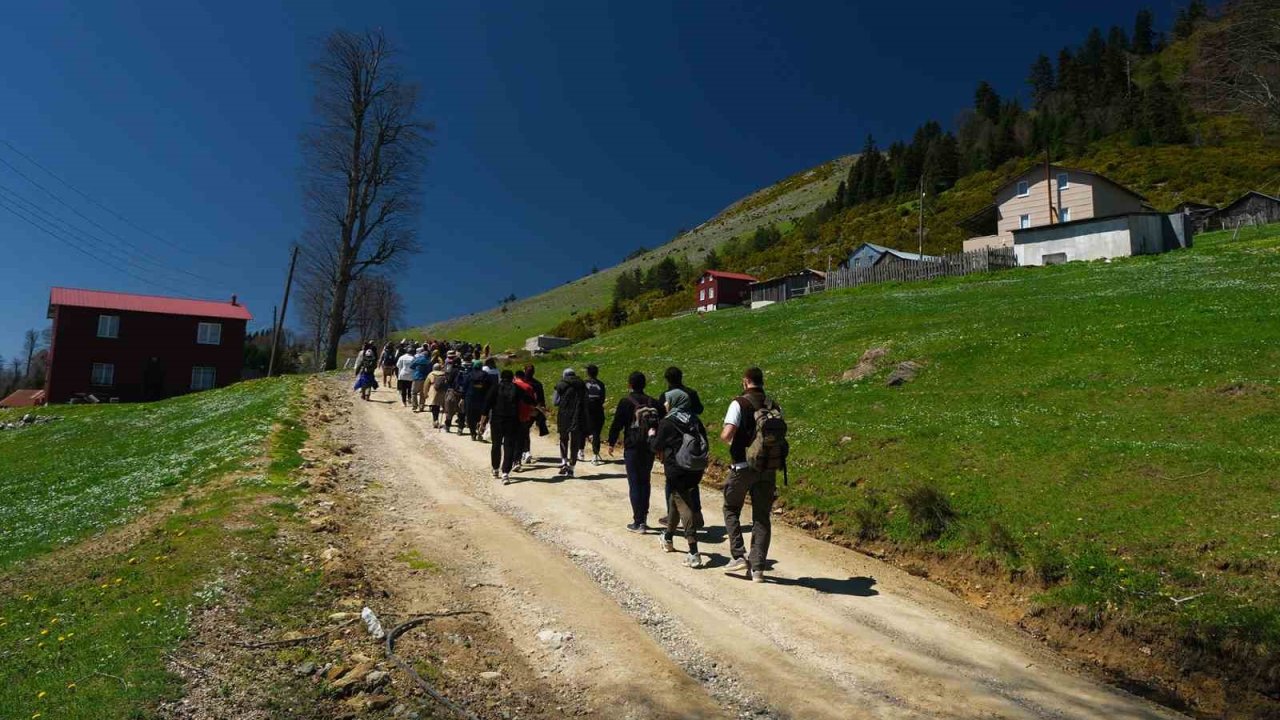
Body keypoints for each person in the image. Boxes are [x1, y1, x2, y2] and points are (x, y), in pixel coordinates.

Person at [721, 367, 785, 583]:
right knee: (761, 517)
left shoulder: (739, 403)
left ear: (746, 381)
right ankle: (758, 569)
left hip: (742, 467)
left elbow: (727, 434)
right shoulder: (773, 405)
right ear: (761, 381)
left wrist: (729, 439)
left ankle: (738, 555)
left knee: (731, 508)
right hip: (768, 468)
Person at [650, 388, 708, 568]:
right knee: (675, 499)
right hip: (695, 467)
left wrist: (651, 435)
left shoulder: (668, 422)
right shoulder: (694, 419)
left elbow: (656, 446)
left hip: (677, 468)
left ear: (675, 401)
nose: (665, 404)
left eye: (668, 400)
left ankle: (693, 551)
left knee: (684, 504)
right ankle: (668, 538)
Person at [607, 371, 661, 533]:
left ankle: (638, 522)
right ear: (644, 384)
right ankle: (644, 518)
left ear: (629, 384)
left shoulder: (626, 402)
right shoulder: (653, 402)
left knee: (634, 483)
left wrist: (611, 442)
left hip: (632, 446)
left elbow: (617, 424)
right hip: (649, 446)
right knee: (645, 481)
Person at [657, 366, 705, 528]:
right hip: (692, 440)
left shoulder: (666, 396)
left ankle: (672, 516)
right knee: (692, 480)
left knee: (672, 482)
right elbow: (700, 409)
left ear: (667, 379)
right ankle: (696, 512)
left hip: (673, 442)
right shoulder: (690, 393)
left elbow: (661, 416)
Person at [484, 369, 533, 484]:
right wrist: (538, 407)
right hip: (512, 421)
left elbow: (487, 404)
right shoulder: (516, 388)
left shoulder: (495, 388)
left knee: (496, 445)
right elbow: (529, 400)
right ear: (512, 378)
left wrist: (482, 422)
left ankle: (495, 469)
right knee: (509, 446)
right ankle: (505, 473)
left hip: (497, 420)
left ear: (501, 378)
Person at [552, 368, 588, 477]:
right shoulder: (582, 384)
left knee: (563, 439)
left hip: (564, 415)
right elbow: (586, 400)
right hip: (578, 415)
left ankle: (564, 461)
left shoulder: (560, 384)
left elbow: (555, 402)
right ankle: (572, 467)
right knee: (575, 442)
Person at [522, 364, 549, 465]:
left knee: (524, 430)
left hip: (525, 410)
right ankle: (525, 451)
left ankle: (526, 452)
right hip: (535, 411)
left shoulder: (522, 383)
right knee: (526, 430)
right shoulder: (538, 384)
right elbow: (542, 400)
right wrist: (542, 411)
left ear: (524, 370)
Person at [512, 369, 537, 472]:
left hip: (512, 416)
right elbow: (532, 402)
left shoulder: (511, 386)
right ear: (523, 377)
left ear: (515, 376)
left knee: (512, 439)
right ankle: (518, 460)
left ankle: (513, 460)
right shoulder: (529, 387)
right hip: (525, 416)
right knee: (521, 438)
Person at [584, 365, 607, 465]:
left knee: (586, 430)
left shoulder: (584, 384)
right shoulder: (601, 384)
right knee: (596, 432)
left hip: (587, 410)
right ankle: (595, 454)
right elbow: (602, 398)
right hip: (598, 409)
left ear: (588, 373)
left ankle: (581, 450)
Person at [465, 359, 493, 440]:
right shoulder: (486, 375)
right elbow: (490, 388)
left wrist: (462, 398)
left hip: (470, 398)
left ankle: (473, 433)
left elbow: (465, 387)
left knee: (470, 416)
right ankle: (480, 431)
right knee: (482, 416)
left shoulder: (469, 374)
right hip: (482, 399)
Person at [424, 362, 447, 427]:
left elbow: (426, 385)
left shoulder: (431, 374)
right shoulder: (444, 374)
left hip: (433, 391)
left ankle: (435, 420)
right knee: (441, 407)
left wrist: (425, 393)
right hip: (442, 392)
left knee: (434, 407)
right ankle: (446, 422)